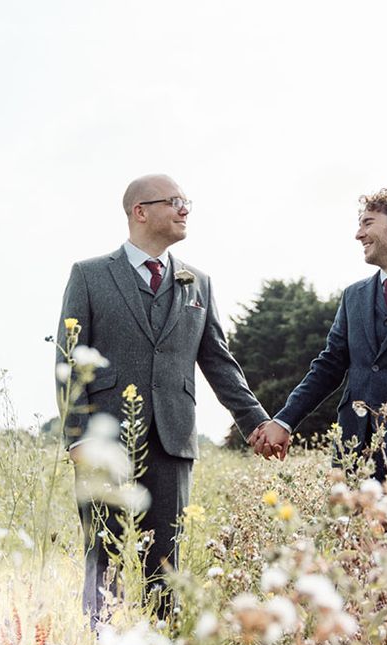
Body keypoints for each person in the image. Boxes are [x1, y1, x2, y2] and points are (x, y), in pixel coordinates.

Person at [56, 174, 268, 621]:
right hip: (102, 440)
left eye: (186, 201)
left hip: (173, 441)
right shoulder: (89, 276)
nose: (185, 209)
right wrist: (76, 437)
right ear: (141, 211)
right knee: (104, 555)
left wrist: (256, 423)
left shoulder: (199, 284)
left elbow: (219, 361)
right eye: (176, 202)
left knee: (166, 563)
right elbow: (70, 359)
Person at [250, 188, 387, 480]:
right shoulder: (353, 296)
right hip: (352, 454)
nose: (359, 234)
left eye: (367, 223)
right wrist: (284, 421)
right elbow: (328, 367)